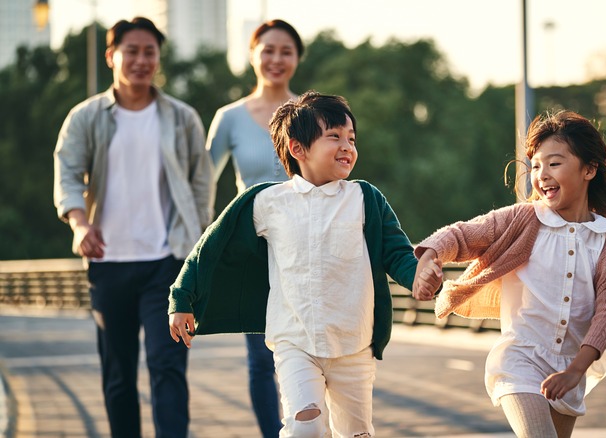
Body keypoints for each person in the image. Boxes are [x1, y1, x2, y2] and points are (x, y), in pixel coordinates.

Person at [168, 91, 441, 437]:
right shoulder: (267, 201)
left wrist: (419, 276)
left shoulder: (365, 199)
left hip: (353, 343)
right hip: (294, 341)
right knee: (304, 426)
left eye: (351, 139)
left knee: (357, 433)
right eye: (334, 137)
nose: (347, 147)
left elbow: (396, 253)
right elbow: (209, 248)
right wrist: (182, 298)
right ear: (298, 149)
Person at [412, 110, 606, 438]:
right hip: (520, 357)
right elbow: (464, 234)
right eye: (536, 165)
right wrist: (431, 256)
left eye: (554, 163)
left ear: (589, 170)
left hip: (572, 364)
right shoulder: (523, 220)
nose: (542, 175)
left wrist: (575, 371)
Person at [53, 17, 213, 438]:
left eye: (150, 52)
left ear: (158, 58)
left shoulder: (182, 118)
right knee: (119, 374)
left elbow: (201, 186)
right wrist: (79, 223)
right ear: (112, 56)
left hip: (169, 264)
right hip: (109, 264)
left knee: (167, 367)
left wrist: (198, 254)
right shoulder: (86, 117)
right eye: (132, 51)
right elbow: (67, 173)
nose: (142, 60)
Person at [206, 19, 304, 436]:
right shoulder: (228, 118)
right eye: (268, 50)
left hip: (308, 246)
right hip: (253, 251)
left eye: (286, 51)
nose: (276, 59)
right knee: (261, 358)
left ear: (297, 58)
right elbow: (200, 182)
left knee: (310, 352)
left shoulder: (311, 112)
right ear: (252, 55)